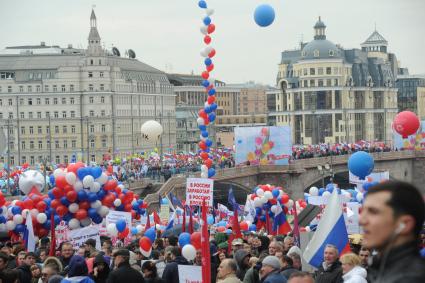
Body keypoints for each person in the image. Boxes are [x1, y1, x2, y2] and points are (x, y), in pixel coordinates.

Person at [359, 181, 425, 282]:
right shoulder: (380, 268)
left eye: (373, 212)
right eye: (362, 211)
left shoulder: (410, 278)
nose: (361, 221)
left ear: (405, 224)